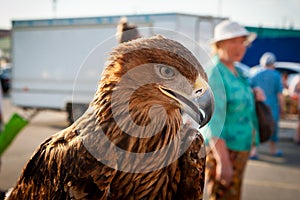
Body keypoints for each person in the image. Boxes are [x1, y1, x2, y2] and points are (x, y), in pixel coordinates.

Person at [203, 20, 264, 200]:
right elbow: (214, 121)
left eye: (242, 42)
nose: (239, 47)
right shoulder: (215, 73)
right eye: (233, 41)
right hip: (225, 151)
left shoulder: (237, 70)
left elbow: (235, 99)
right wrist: (223, 162)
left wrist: (254, 93)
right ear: (219, 44)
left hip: (239, 148)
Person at [250, 52, 285, 157]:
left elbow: (249, 90)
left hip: (257, 107)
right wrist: (282, 108)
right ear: (273, 63)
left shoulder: (255, 74)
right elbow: (280, 94)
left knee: (255, 127)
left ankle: (253, 151)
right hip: (272, 107)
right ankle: (273, 150)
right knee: (273, 127)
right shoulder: (276, 75)